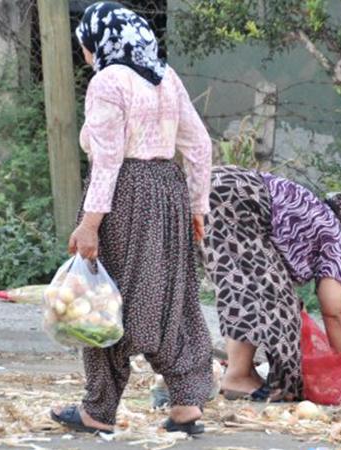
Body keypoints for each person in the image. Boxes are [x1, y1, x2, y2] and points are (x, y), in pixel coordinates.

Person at [50, 2, 213, 435]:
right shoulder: (166, 77)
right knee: (173, 298)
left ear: (99, 42)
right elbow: (199, 146)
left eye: (85, 44)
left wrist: (89, 223)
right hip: (169, 190)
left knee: (103, 296)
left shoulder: (107, 82)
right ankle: (185, 407)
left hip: (126, 194)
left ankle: (97, 411)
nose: (84, 53)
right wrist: (197, 207)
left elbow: (106, 162)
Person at [202, 166, 341, 401]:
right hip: (237, 197)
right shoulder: (334, 234)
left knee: (259, 291)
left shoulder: (311, 214)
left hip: (216, 184)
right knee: (266, 294)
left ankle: (242, 371)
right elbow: (335, 309)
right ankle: (237, 375)